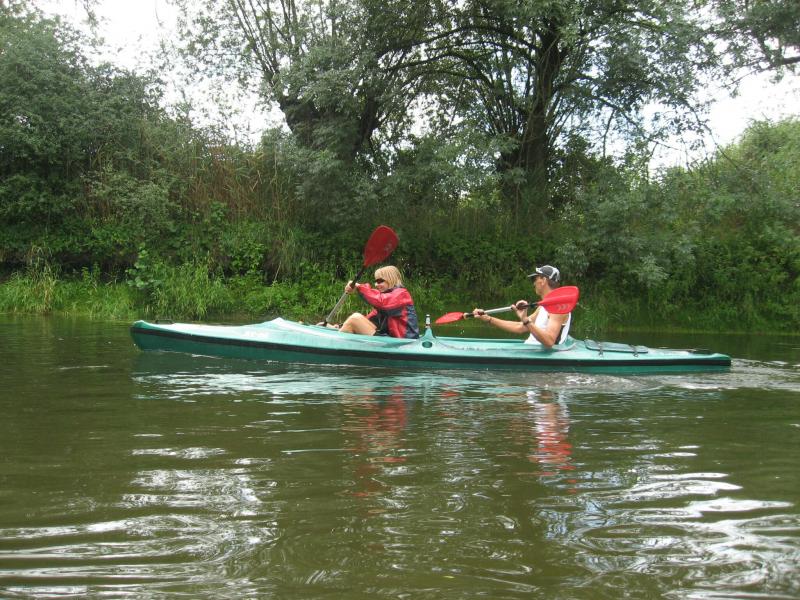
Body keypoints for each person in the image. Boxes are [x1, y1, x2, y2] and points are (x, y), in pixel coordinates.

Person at [472, 265, 571, 348]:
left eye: (535, 279)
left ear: (543, 280)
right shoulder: (542, 307)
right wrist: (489, 319)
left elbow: (549, 341)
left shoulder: (559, 307)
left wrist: (526, 320)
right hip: (530, 352)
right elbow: (520, 327)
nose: (534, 283)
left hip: (540, 359)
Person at [328, 266, 420, 339]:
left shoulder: (401, 294)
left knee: (355, 318)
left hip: (403, 343)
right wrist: (340, 326)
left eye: (380, 281)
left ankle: (333, 346)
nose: (376, 284)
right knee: (355, 320)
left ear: (391, 279)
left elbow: (380, 301)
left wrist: (359, 286)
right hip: (390, 340)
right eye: (375, 281)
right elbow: (368, 320)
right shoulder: (386, 300)